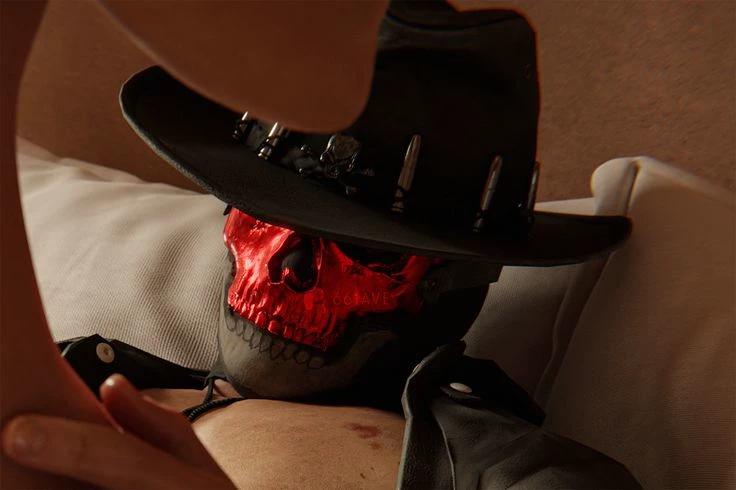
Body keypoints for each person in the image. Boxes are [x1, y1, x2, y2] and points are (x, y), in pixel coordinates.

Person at [1, 1, 640, 488]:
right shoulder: (75, 371)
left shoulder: (519, 474)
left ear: (461, 279)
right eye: (262, 218)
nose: (290, 266)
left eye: (367, 253)